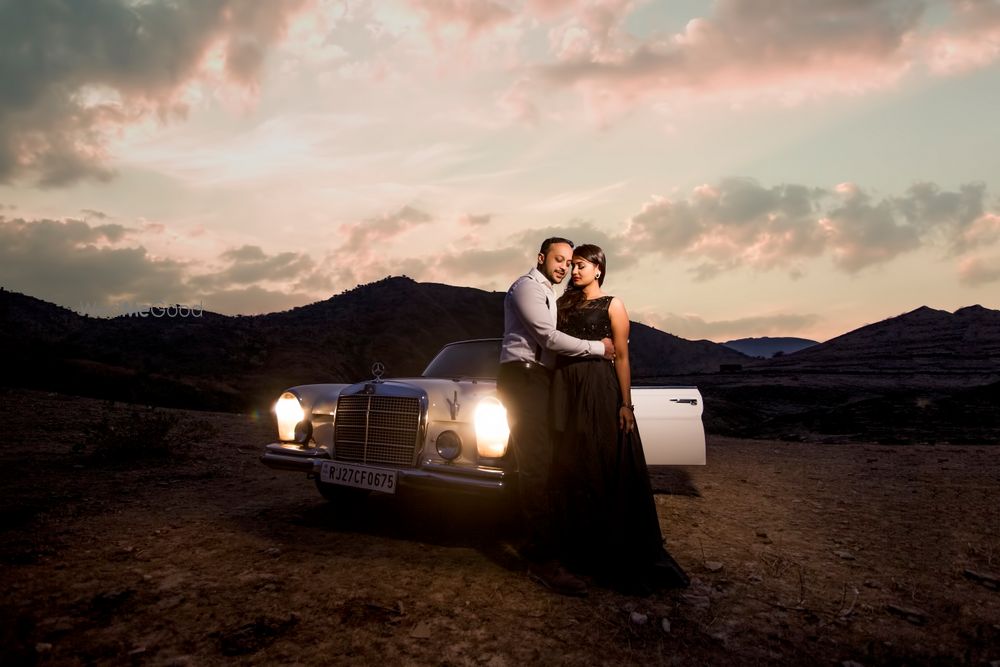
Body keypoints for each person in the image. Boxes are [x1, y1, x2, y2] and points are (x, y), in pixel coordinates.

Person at [550, 243, 689, 594]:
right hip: (564, 384)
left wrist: (626, 404)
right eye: (572, 265)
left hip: (598, 384)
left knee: (599, 462)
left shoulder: (613, 304)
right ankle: (569, 550)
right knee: (568, 464)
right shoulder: (561, 303)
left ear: (599, 269)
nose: (575, 271)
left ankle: (608, 551)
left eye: (581, 265)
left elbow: (622, 357)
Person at [498, 237, 615, 596]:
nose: (565, 266)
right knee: (535, 465)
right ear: (541, 258)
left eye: (570, 261)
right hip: (524, 376)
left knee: (547, 464)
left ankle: (546, 544)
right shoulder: (527, 288)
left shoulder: (552, 293)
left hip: (542, 379)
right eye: (559, 259)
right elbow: (548, 338)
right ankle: (541, 562)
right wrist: (600, 348)